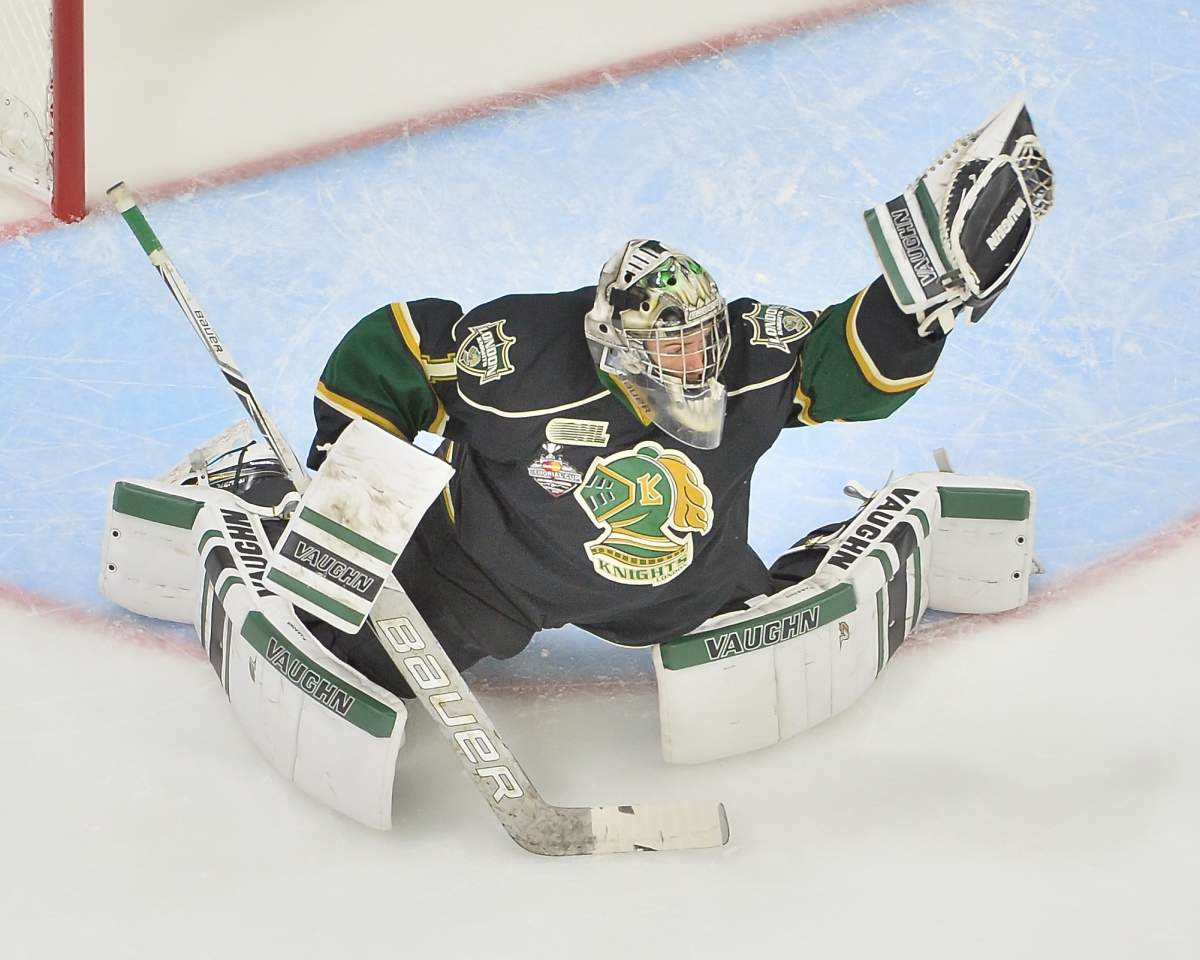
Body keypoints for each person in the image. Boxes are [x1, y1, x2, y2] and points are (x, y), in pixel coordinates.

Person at [303, 99, 1054, 701]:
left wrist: (917, 307)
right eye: (673, 343)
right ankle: (261, 497)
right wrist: (346, 486)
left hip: (690, 589)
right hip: (491, 579)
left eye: (702, 336)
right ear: (614, 339)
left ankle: (847, 546)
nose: (696, 359)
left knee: (776, 656)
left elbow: (844, 364)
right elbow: (390, 351)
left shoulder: (748, 357)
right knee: (357, 665)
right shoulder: (519, 357)